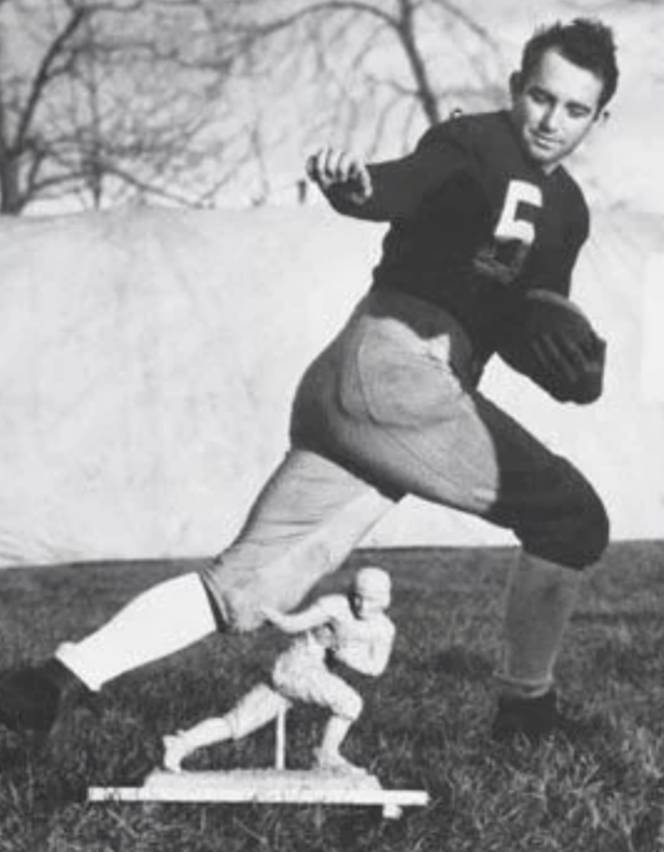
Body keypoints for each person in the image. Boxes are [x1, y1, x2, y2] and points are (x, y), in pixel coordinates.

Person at [0, 18, 618, 743]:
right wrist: (356, 188)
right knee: (573, 518)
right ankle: (525, 714)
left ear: (599, 117)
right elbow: (402, 185)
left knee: (246, 586)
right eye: (541, 98)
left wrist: (574, 375)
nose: (552, 121)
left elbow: (529, 321)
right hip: (397, 369)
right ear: (517, 88)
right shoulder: (472, 141)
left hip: (365, 390)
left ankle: (46, 685)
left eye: (575, 110)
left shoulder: (569, 211)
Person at [162, 567, 396, 774]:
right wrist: (270, 613)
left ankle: (181, 743)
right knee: (350, 702)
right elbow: (293, 624)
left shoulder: (384, 629)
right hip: (297, 666)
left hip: (298, 675)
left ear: (384, 600)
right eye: (358, 597)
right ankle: (326, 756)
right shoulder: (334, 606)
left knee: (238, 722)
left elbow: (375, 668)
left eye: (371, 600)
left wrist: (345, 655)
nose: (362, 605)